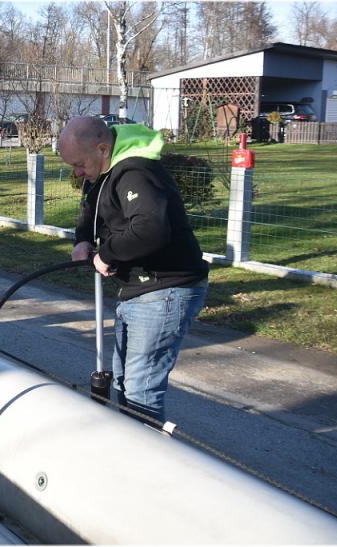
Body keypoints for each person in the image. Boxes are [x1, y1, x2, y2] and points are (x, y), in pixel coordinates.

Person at [61, 116, 208, 424]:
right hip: (137, 288)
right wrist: (83, 239)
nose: (77, 173)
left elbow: (150, 229)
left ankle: (148, 450)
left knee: (141, 389)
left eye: (80, 164)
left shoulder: (136, 172)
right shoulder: (103, 170)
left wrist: (107, 253)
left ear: (103, 149)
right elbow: (91, 206)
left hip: (165, 287)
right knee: (123, 383)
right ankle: (128, 442)